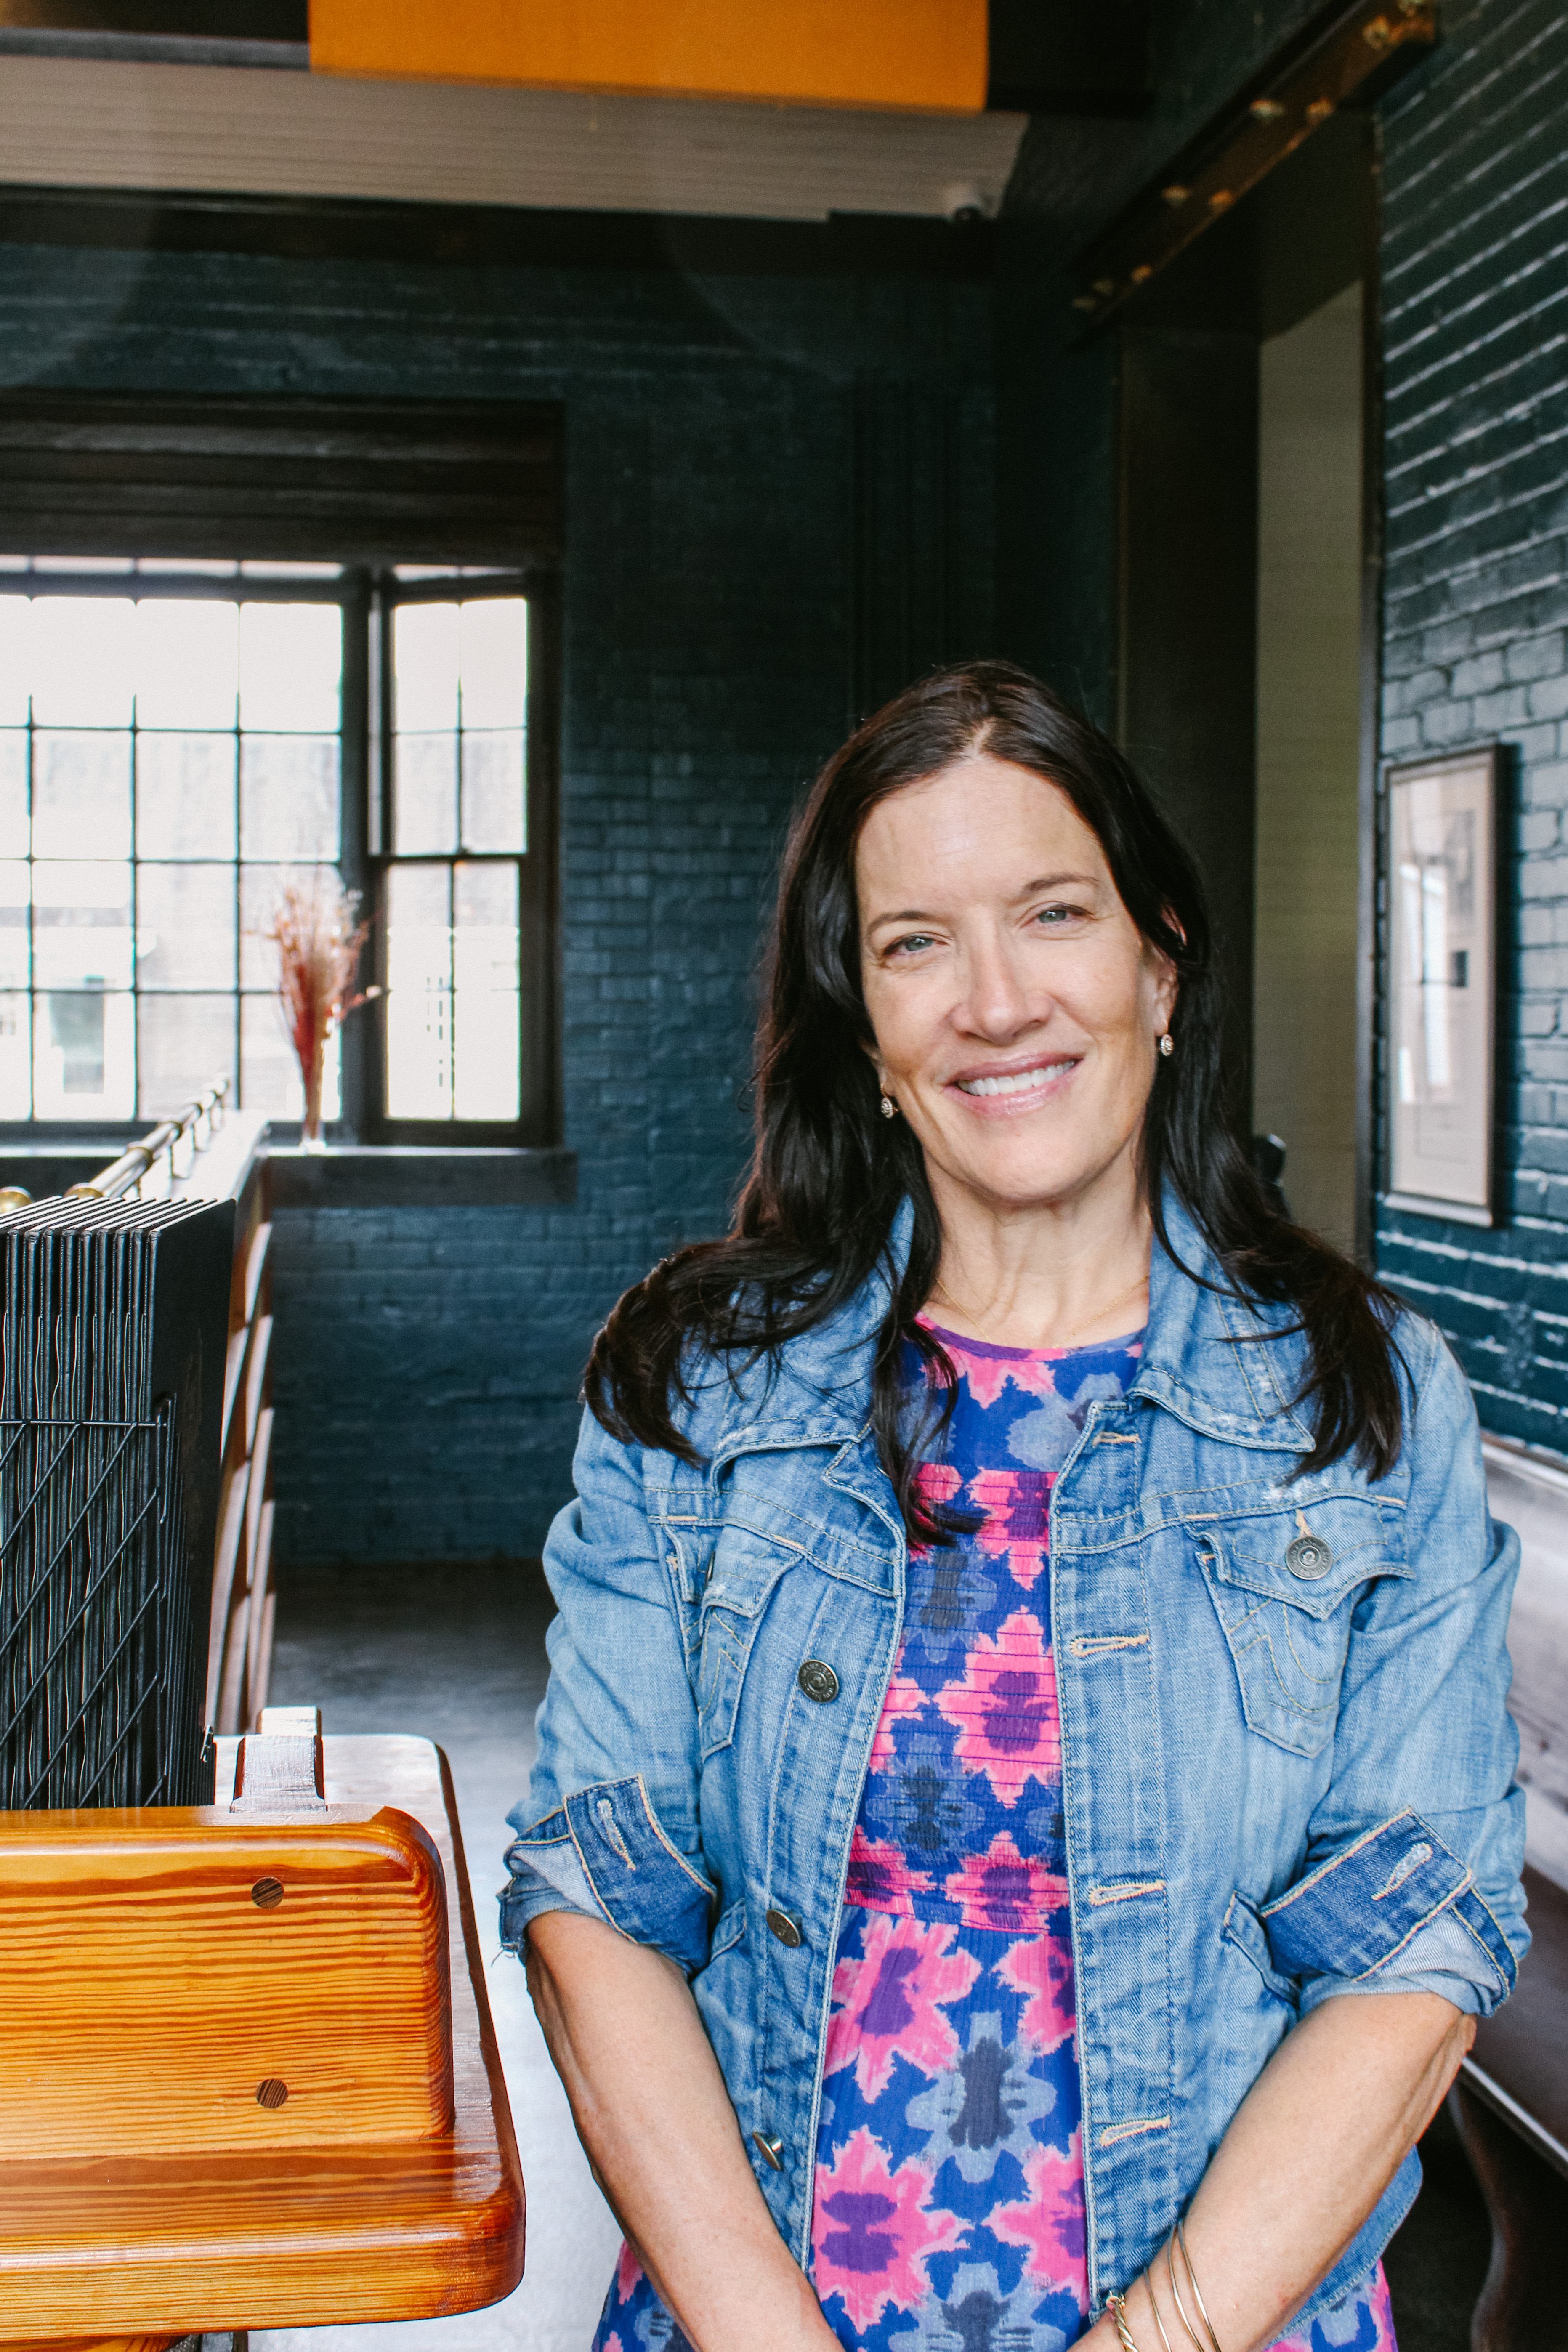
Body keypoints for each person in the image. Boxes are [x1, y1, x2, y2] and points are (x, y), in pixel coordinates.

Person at [502, 662, 1526, 2352]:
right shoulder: (696, 1387)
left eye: (1050, 913)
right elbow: (596, 1901)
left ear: (1157, 963)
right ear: (864, 1027)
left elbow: (1412, 1943)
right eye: (914, 943)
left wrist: (1158, 2340)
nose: (993, 1000)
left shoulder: (1365, 1401)